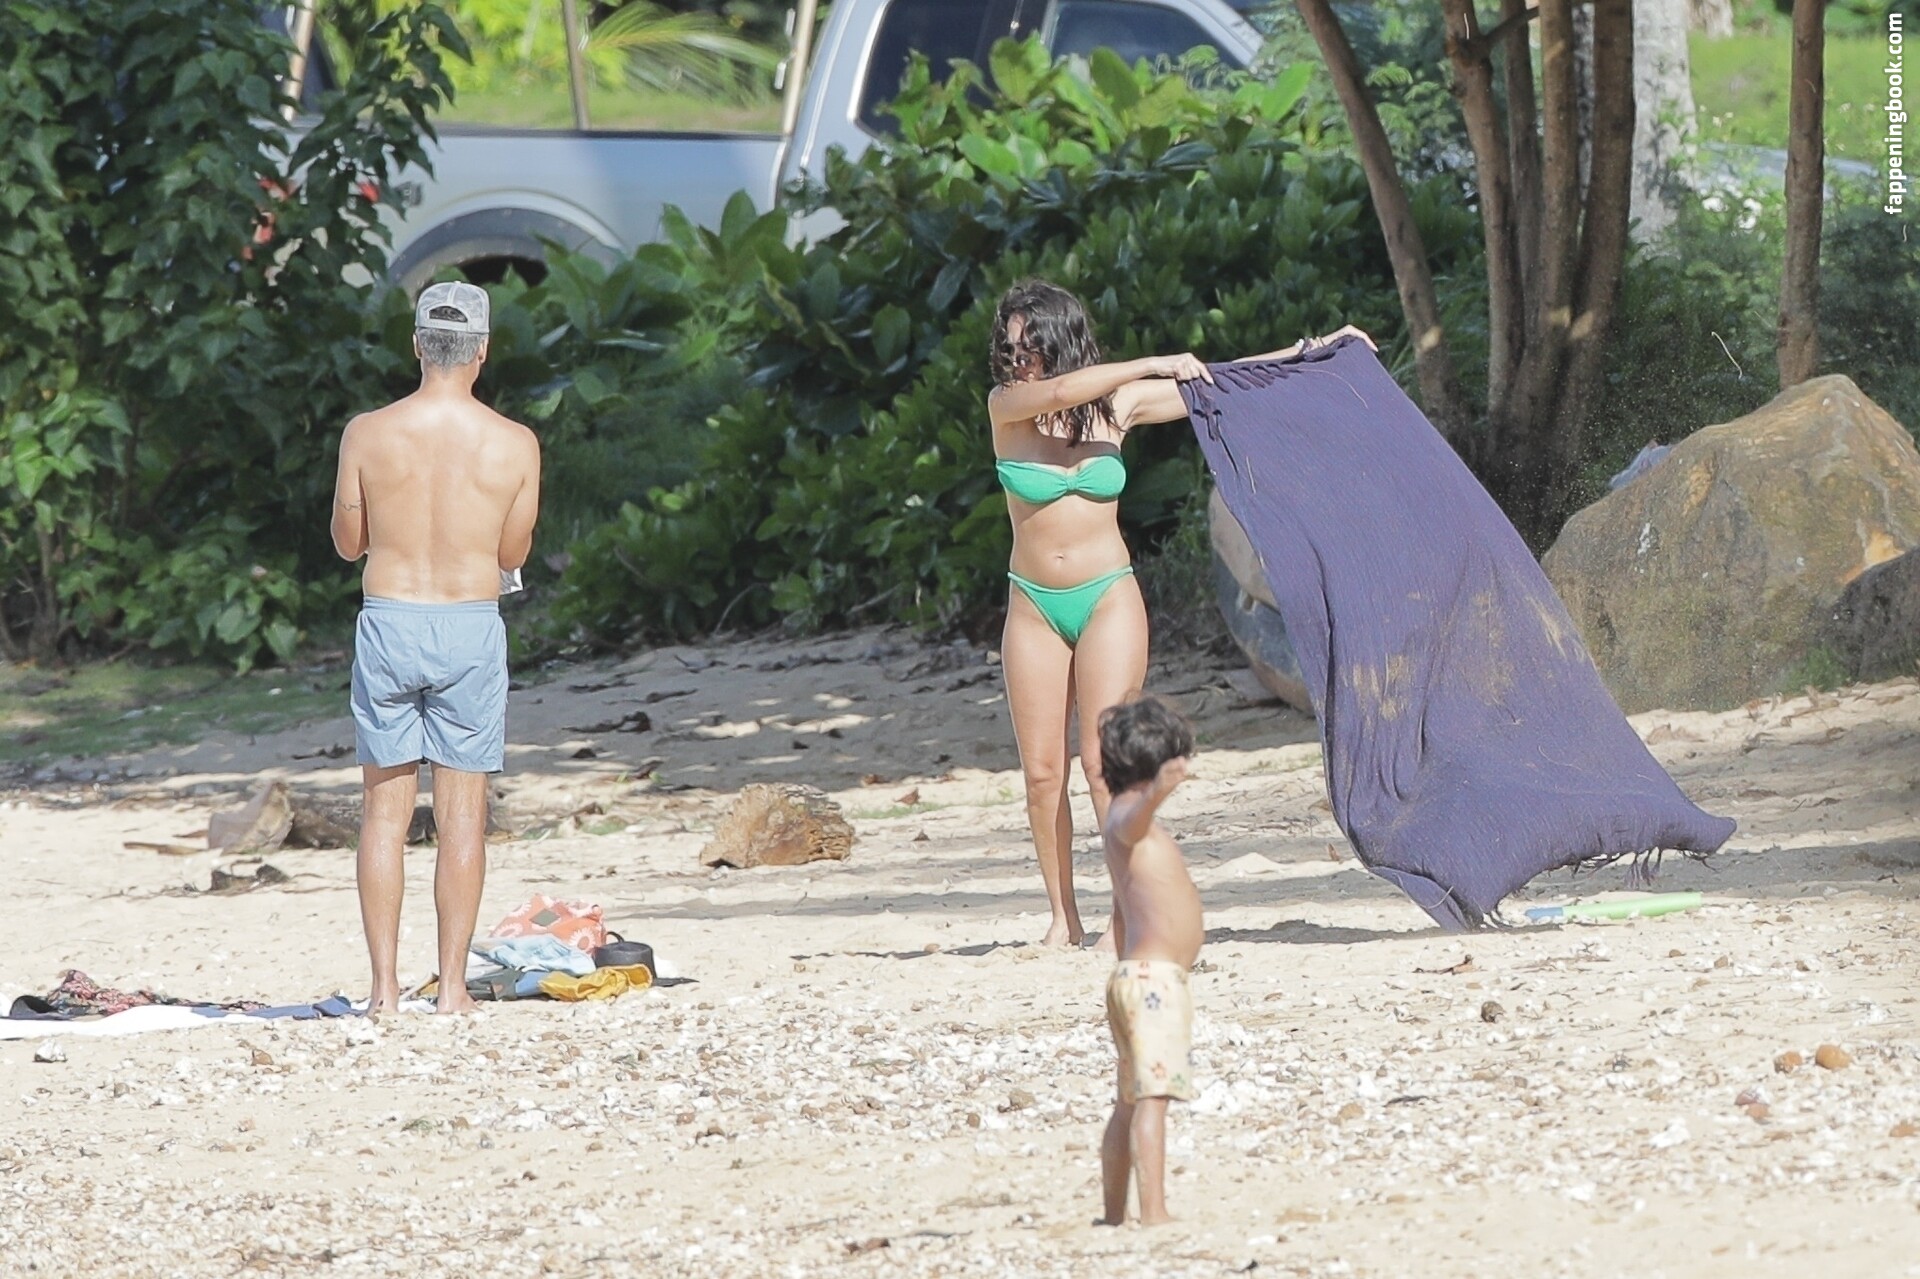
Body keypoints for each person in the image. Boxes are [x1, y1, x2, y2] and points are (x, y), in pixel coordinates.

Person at [987, 278, 1369, 947]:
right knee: (1044, 774)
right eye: (1009, 347)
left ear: (1062, 339)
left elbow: (1218, 382)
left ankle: (1122, 913)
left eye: (1031, 346)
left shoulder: (1117, 406)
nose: (1018, 359)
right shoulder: (1008, 407)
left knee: (1104, 761)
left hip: (1106, 596)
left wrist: (1310, 352)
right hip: (1034, 607)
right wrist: (1152, 360)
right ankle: (1062, 917)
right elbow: (1057, 393)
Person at [330, 281, 541, 1015]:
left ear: (418, 344)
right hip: (468, 624)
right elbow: (513, 551)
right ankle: (452, 988)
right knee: (462, 817)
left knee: (383, 816)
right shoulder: (516, 442)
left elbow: (348, 542)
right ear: (482, 351)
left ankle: (384, 991)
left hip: (390, 620)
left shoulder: (366, 432)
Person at [1094, 693, 1200, 1227]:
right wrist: (1157, 795)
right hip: (1153, 984)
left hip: (1136, 979)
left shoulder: (1127, 823)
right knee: (1152, 1100)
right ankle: (1154, 1212)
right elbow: (1132, 822)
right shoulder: (1127, 818)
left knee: (1130, 1102)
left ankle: (1114, 1214)